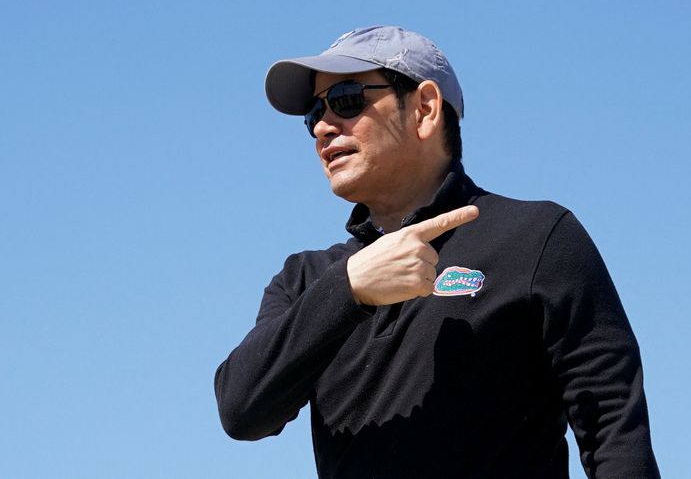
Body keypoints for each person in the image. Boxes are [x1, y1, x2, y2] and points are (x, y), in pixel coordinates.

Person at [214, 25, 660, 478]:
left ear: (425, 109)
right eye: (314, 113)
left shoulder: (537, 236)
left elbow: (614, 432)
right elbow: (242, 411)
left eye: (346, 99)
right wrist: (349, 290)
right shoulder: (306, 278)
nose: (324, 127)